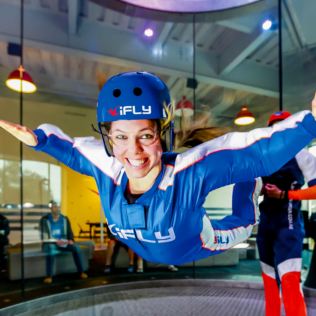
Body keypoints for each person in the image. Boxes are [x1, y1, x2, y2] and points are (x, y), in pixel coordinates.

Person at [1, 71, 316, 267]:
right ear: (108, 138)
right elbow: (69, 148)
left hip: (199, 241)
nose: (133, 151)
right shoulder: (107, 166)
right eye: (121, 137)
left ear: (163, 135)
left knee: (247, 208)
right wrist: (39, 140)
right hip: (150, 249)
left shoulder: (188, 173)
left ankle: (251, 183)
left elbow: (257, 150)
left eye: (146, 136)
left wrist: (310, 124)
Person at [257, 111, 316, 316]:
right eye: (274, 126)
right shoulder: (264, 156)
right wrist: (259, 190)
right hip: (266, 224)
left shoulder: (301, 153)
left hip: (288, 224)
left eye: (282, 126)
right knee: (269, 282)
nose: (278, 130)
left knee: (289, 281)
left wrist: (284, 194)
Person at [40, 200, 88, 284]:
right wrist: (55, 241)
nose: (57, 208)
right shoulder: (44, 220)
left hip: (63, 242)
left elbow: (70, 232)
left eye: (58, 206)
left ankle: (81, 272)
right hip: (50, 243)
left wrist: (71, 240)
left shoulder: (65, 219)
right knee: (51, 250)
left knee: (76, 248)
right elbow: (44, 236)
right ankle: (49, 276)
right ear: (51, 208)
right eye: (55, 207)